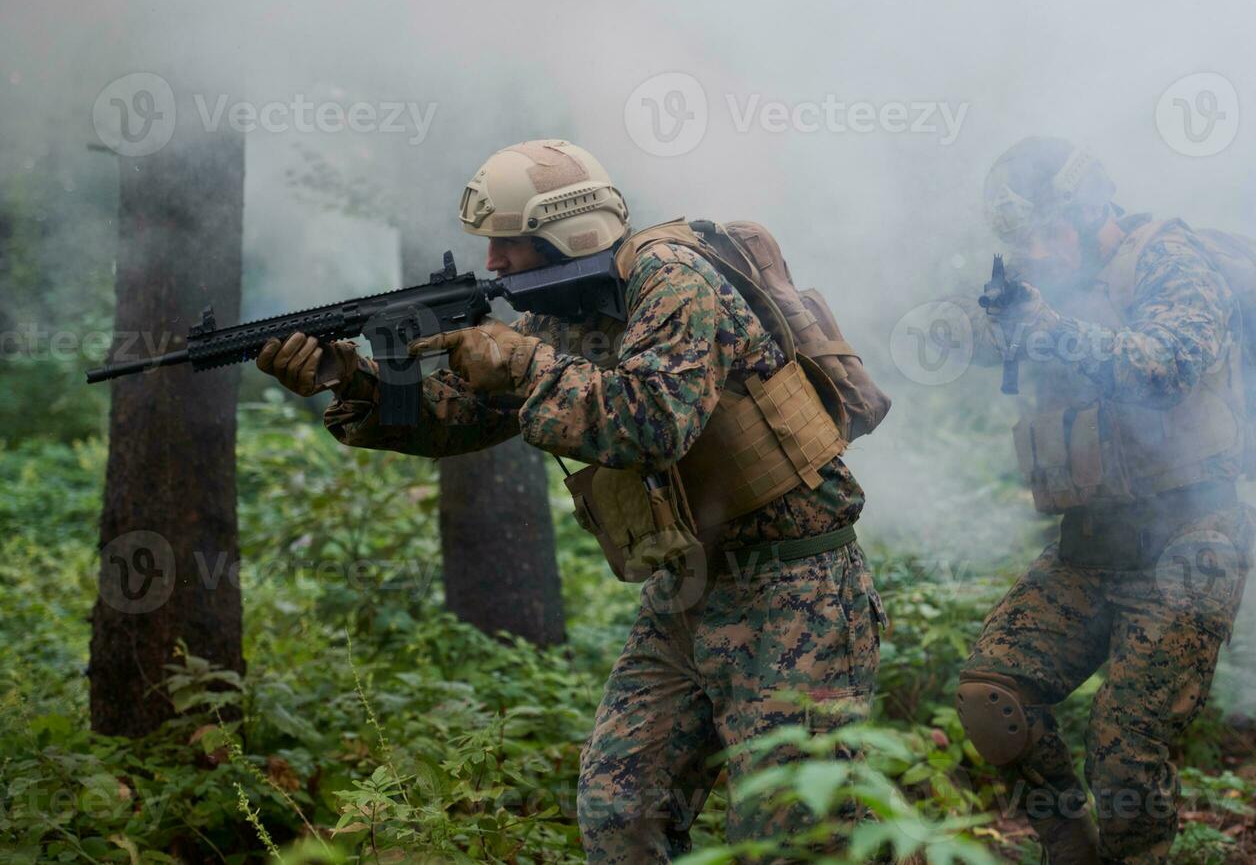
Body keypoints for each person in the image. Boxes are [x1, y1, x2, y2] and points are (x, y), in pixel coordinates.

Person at [256, 139, 885, 863]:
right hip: (690, 587)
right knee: (621, 813)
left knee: (793, 839)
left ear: (566, 234)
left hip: (796, 586)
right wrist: (351, 378)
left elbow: (657, 422)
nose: (492, 265)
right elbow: (458, 417)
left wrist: (522, 366)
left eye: (508, 246)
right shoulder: (559, 313)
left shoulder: (672, 277)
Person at [955, 137, 1255, 864]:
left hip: (1189, 538)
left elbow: (1165, 367)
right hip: (1094, 542)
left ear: (1090, 212)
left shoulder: (1170, 259)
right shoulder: (1057, 282)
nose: (1042, 253)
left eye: (1049, 234)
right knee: (993, 696)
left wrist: (1049, 330)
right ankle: (1070, 848)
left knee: (1126, 761)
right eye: (1027, 242)